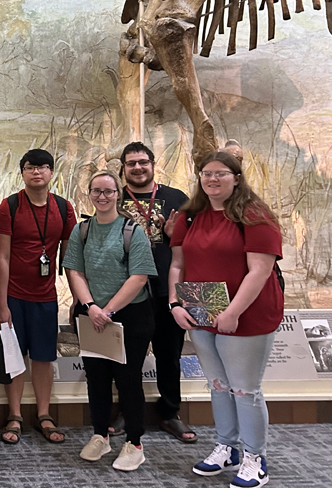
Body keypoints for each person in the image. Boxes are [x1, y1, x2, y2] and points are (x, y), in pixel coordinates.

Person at [168, 152, 283, 488]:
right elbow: (177, 265)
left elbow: (260, 270)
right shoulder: (189, 216)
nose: (212, 179)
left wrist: (233, 312)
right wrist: (175, 303)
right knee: (218, 386)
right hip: (201, 310)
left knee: (245, 390)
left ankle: (254, 458)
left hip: (246, 315)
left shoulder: (254, 215)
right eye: (206, 173)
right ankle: (227, 447)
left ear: (236, 177)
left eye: (220, 174)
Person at [63, 170, 157, 472]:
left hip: (128, 316)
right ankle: (100, 435)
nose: (102, 197)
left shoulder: (132, 230)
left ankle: (134, 443)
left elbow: (139, 276)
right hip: (91, 315)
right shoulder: (82, 231)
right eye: (96, 191)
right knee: (97, 379)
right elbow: (74, 271)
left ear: (119, 194)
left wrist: (109, 311)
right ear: (89, 194)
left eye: (108, 191)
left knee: (128, 381)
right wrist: (90, 306)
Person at [0, 149, 75, 445]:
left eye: (42, 167)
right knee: (14, 359)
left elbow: (70, 258)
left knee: (43, 357)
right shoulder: (9, 206)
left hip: (46, 297)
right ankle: (14, 415)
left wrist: (79, 298)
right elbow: (1, 257)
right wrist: (1, 304)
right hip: (13, 296)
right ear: (22, 173)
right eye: (30, 168)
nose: (36, 172)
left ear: (52, 172)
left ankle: (43, 414)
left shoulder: (64, 209)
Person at [114, 142, 195, 443]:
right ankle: (127, 411)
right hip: (127, 293)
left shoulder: (177, 199)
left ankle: (170, 413)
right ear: (123, 168)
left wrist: (176, 237)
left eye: (143, 162)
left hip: (167, 292)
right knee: (127, 358)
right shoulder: (114, 198)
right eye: (131, 163)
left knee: (169, 355)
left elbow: (197, 245)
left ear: (153, 164)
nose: (137, 168)